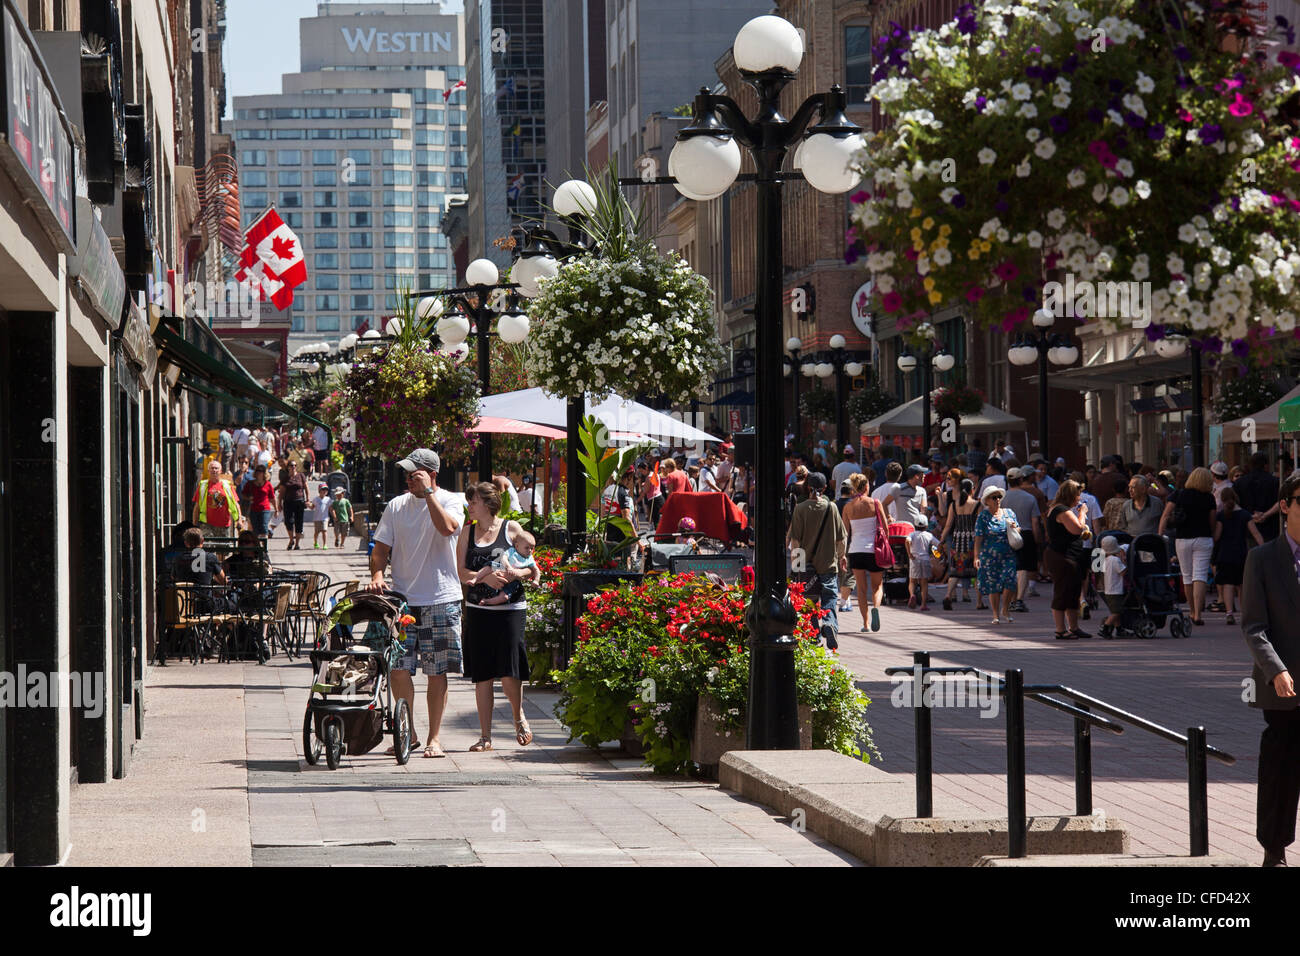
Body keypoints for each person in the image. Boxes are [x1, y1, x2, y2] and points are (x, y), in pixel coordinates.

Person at [369, 448, 466, 759]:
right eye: (407, 474)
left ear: (432, 475)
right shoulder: (396, 506)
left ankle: (434, 738)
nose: (408, 479)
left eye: (415, 474)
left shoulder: (452, 499)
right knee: (398, 668)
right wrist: (377, 573)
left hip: (440, 597)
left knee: (437, 672)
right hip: (404, 601)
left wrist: (428, 495)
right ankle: (406, 733)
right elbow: (381, 548)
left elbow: (447, 528)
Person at [1242, 471, 1300, 866]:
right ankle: (1273, 848)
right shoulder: (1261, 558)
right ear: (1285, 505)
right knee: (1280, 770)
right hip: (1283, 685)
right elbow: (1253, 626)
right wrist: (1275, 670)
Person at [456, 482, 541, 752]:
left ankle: (518, 716)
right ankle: (485, 737)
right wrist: (485, 577)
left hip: (511, 610)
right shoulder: (466, 533)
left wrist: (517, 574)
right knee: (483, 674)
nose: (470, 505)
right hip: (479, 610)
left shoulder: (511, 529)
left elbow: (531, 567)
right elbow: (461, 572)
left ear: (489, 505)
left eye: (474, 501)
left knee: (509, 670)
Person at [787, 472, 848, 649]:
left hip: (806, 565)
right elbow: (841, 538)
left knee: (809, 600)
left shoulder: (800, 508)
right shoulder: (832, 508)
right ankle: (829, 624)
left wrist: (796, 566)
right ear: (825, 488)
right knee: (829, 597)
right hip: (828, 563)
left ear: (807, 487)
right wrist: (841, 556)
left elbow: (795, 540)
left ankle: (813, 635)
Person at [1159, 466, 1218, 626]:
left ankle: (1191, 611)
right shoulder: (1209, 498)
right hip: (1203, 538)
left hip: (1183, 538)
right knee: (1200, 575)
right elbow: (1213, 521)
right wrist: (1211, 533)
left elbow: (1165, 516)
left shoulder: (1178, 494)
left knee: (1187, 575)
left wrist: (1160, 534)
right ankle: (1198, 614)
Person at [1045, 480, 1092, 639]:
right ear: (1070, 495)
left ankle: (1074, 627)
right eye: (1077, 494)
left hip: (1071, 556)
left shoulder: (1059, 508)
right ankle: (1060, 629)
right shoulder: (1062, 510)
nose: (1079, 498)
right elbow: (1077, 529)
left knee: (1073, 592)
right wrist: (1083, 513)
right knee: (1062, 592)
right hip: (1063, 557)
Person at [844, 473, 888, 633]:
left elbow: (845, 533)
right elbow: (885, 528)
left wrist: (842, 554)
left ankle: (865, 624)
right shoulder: (875, 503)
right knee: (877, 586)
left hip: (855, 550)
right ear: (867, 487)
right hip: (873, 551)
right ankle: (876, 607)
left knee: (861, 589)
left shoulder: (848, 507)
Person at [1214, 487, 1262, 626]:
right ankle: (1244, 613)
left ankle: (1229, 613)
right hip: (1241, 553)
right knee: (1242, 585)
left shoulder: (1221, 516)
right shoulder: (1245, 515)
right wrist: (1263, 547)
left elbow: (1217, 536)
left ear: (1223, 500)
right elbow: (1255, 533)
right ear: (1236, 498)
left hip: (1225, 553)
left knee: (1228, 584)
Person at [974, 485, 1020, 625]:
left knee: (1010, 580)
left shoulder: (1009, 513)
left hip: (1008, 553)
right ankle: (995, 614)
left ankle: (1005, 609)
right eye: (994, 497)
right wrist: (976, 556)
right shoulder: (983, 516)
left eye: (999, 497)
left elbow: (1018, 528)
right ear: (987, 501)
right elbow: (978, 537)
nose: (997, 500)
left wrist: (1014, 527)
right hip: (989, 555)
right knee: (993, 584)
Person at [1003, 468, 1042, 613]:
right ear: (1020, 479)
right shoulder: (1029, 498)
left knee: (1010, 567)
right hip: (1025, 533)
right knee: (1023, 567)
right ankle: (1019, 599)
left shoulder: (1002, 498)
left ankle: (1011, 599)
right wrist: (1038, 538)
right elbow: (1035, 522)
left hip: (1006, 533)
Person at [467, 527, 537, 607]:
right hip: (503, 568)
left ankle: (487, 601)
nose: (530, 551)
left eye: (532, 548)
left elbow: (533, 570)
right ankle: (475, 579)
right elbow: (503, 558)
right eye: (527, 548)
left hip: (512, 588)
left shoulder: (529, 557)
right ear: (517, 546)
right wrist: (486, 578)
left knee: (505, 597)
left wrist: (519, 574)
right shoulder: (512, 551)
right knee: (490, 566)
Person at [940, 477, 979, 609]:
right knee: (977, 572)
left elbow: (948, 525)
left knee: (956, 570)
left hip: (957, 542)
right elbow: (980, 525)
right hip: (972, 542)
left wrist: (941, 540)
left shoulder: (954, 505)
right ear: (972, 490)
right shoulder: (977, 505)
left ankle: (947, 595)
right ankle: (979, 602)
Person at [191, 459, 241, 541]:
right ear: (208, 471)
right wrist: (194, 525)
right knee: (208, 549)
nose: (214, 470)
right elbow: (197, 506)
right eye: (212, 468)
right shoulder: (203, 485)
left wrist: (239, 520)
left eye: (216, 468)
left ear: (220, 471)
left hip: (224, 524)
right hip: (206, 524)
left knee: (223, 552)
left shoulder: (227, 486)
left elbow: (236, 504)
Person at [1237, 452, 1281, 541]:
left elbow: (1235, 503)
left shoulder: (1239, 482)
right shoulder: (1275, 482)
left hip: (1247, 529)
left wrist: (1250, 516)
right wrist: (1265, 515)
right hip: (1271, 529)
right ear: (1266, 465)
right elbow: (1281, 502)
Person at [1098, 536, 1128, 639]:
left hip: (1108, 591)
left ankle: (1119, 629)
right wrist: (1124, 561)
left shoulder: (1105, 560)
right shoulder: (1116, 560)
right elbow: (1123, 572)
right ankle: (1105, 628)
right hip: (1116, 591)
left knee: (1115, 611)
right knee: (1117, 612)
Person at [276, 459, 308, 550]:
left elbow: (306, 488)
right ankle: (291, 539)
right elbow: (281, 492)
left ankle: (297, 543)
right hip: (288, 501)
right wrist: (279, 503)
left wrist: (308, 499)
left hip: (299, 501)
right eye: (291, 465)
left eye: (294, 465)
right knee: (288, 522)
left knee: (299, 522)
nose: (293, 467)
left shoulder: (301, 476)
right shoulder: (285, 478)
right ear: (288, 467)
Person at [908, 523, 937, 611]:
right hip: (925, 559)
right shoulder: (929, 535)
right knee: (924, 583)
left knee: (912, 581)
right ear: (926, 526)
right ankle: (923, 604)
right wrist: (938, 554)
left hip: (914, 560)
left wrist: (909, 554)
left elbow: (907, 541)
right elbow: (938, 544)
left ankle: (912, 594)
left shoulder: (912, 534)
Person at [242, 464, 277, 539]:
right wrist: (249, 498)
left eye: (261, 471)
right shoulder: (250, 483)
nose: (259, 472)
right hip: (253, 509)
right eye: (257, 470)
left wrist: (276, 509)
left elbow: (272, 498)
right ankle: (257, 547)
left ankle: (264, 547)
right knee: (255, 530)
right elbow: (243, 494)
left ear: (264, 473)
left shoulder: (268, 484)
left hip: (265, 509)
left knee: (264, 528)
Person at [892, 464, 930, 529]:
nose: (924, 475)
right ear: (916, 476)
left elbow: (924, 509)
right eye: (922, 474)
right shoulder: (898, 488)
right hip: (901, 528)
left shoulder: (922, 491)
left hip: (916, 528)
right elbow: (885, 504)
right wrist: (889, 517)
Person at [311, 482, 332, 549]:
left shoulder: (328, 499)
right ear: (319, 491)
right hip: (317, 518)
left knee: (324, 531)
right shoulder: (316, 499)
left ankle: (325, 544)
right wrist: (308, 505)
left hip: (325, 518)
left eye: (326, 490)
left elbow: (331, 509)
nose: (324, 491)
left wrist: (334, 516)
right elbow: (312, 507)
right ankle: (315, 542)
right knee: (316, 532)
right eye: (323, 489)